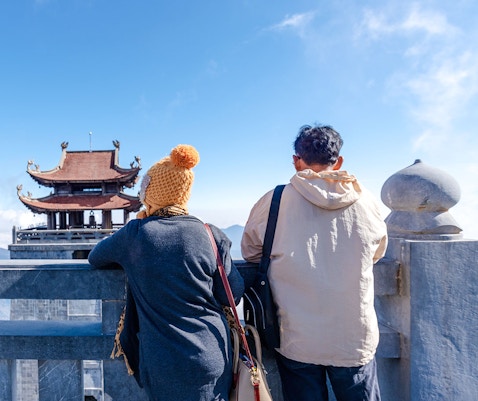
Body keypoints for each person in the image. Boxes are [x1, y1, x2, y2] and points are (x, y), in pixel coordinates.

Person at [241, 124, 388, 401]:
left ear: (297, 161)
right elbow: (376, 252)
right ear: (339, 161)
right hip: (353, 336)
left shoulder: (274, 200)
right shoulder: (367, 202)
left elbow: (250, 251)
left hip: (296, 335)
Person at [89, 144, 245, 401]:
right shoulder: (210, 233)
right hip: (213, 352)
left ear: (151, 192)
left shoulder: (136, 234)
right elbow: (232, 294)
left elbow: (95, 257)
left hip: (163, 362)